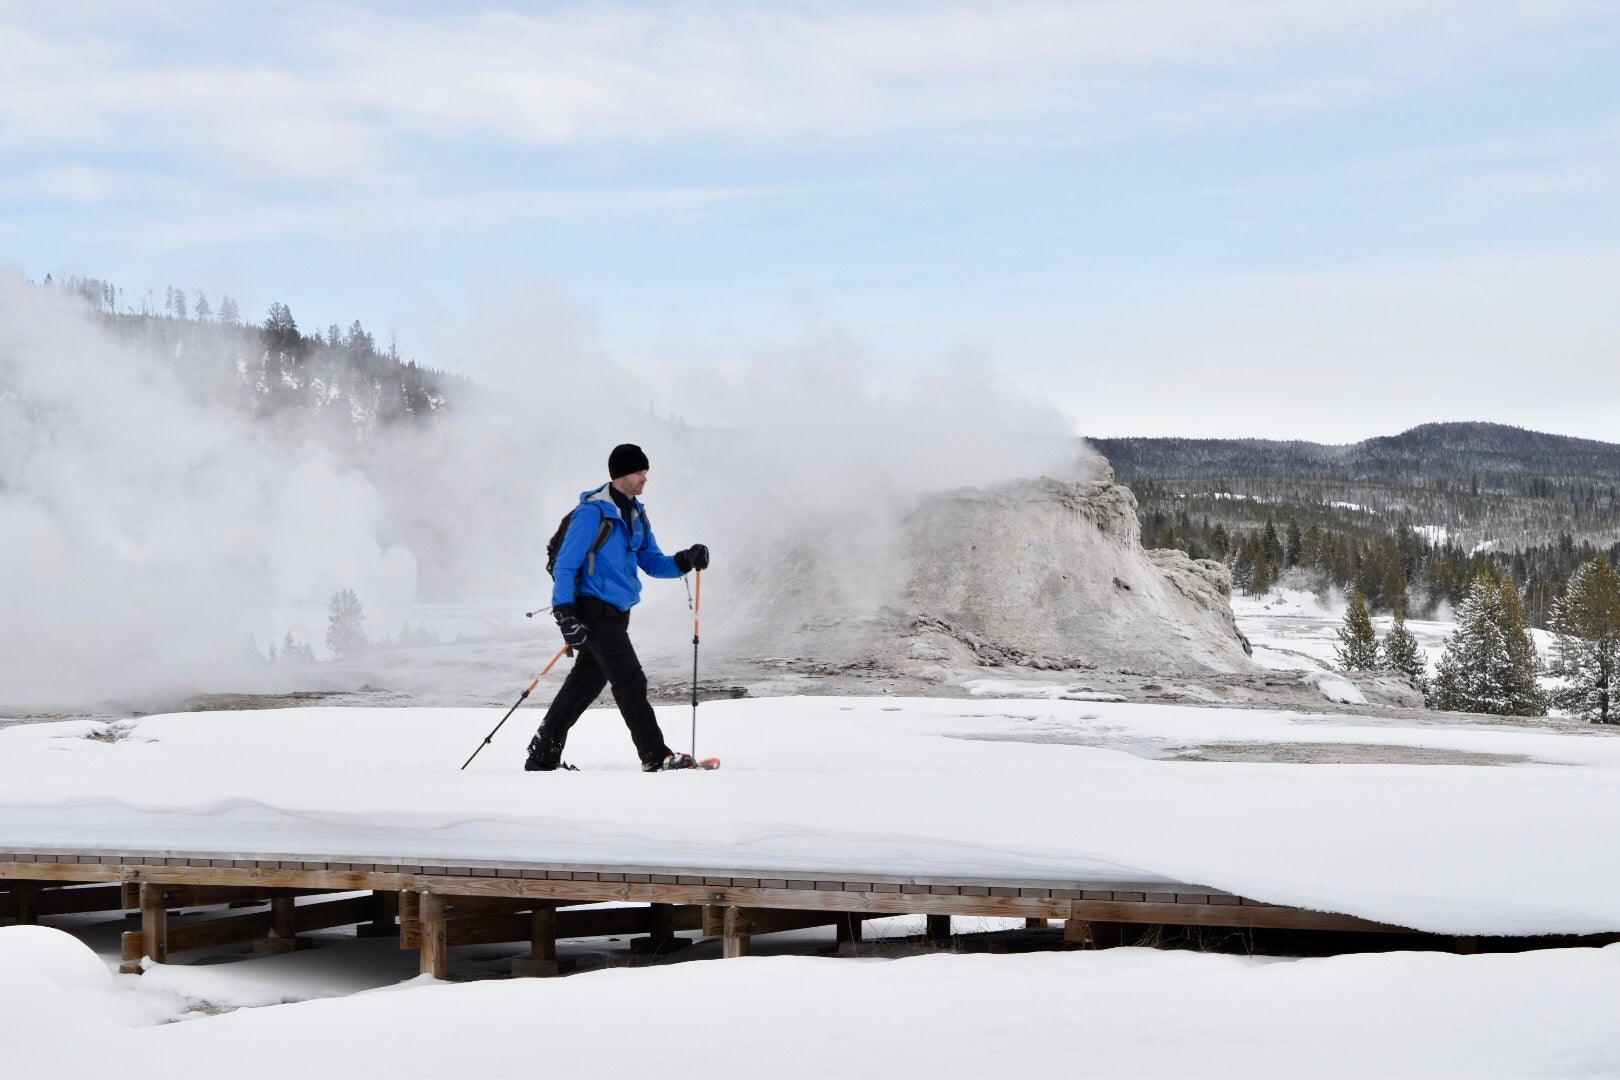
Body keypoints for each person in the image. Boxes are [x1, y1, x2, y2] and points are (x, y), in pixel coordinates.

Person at [525, 443, 710, 772]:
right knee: (630, 678)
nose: (645, 478)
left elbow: (652, 562)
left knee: (586, 682)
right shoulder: (592, 513)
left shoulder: (636, 514)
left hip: (617, 611)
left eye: (646, 472)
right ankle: (655, 755)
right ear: (621, 474)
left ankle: (542, 755)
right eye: (640, 472)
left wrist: (685, 559)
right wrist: (565, 611)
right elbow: (567, 565)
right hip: (592, 607)